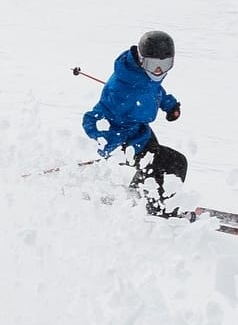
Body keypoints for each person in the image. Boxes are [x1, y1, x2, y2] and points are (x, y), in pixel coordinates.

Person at [81, 30, 188, 216]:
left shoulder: (142, 75)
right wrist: (113, 146)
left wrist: (169, 106)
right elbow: (92, 120)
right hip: (124, 141)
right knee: (174, 162)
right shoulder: (121, 90)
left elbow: (155, 90)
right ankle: (158, 209)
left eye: (165, 64)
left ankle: (140, 194)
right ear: (140, 59)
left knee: (161, 161)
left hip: (139, 131)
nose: (158, 71)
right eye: (153, 64)